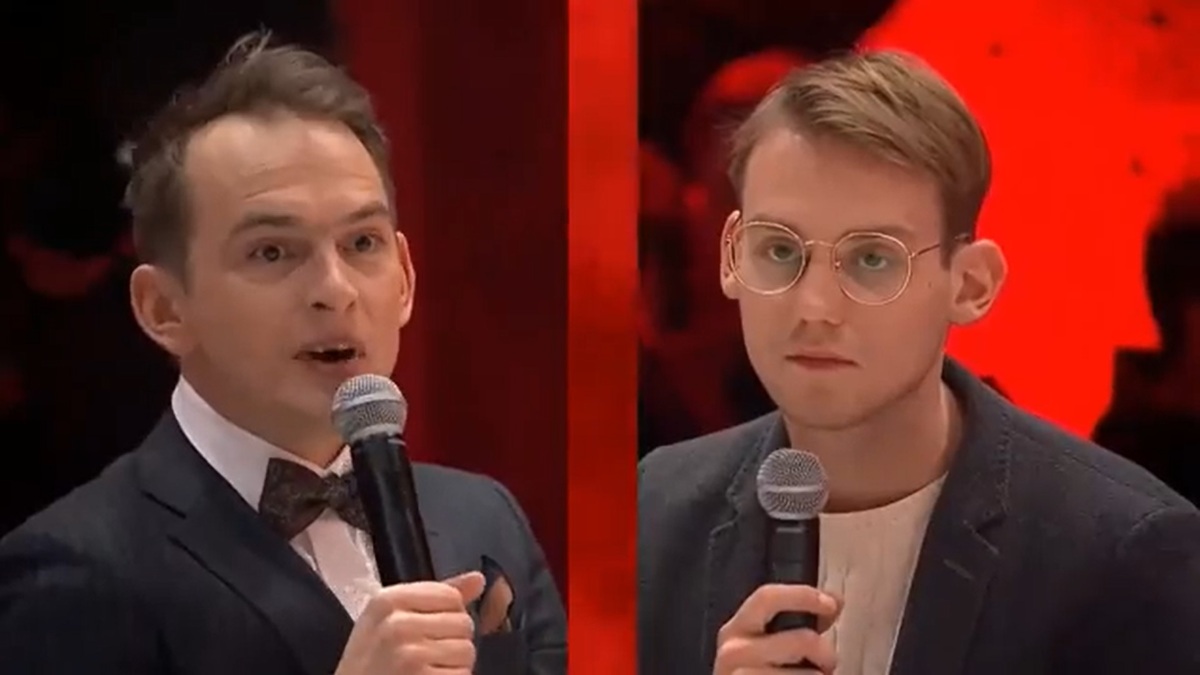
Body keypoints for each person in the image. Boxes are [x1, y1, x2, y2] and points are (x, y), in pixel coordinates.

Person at [0, 32, 566, 675]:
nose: (336, 290)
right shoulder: (71, 571)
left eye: (362, 243)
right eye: (272, 251)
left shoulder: (484, 517)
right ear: (163, 309)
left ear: (406, 278)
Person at [638, 49, 1200, 675]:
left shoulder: (1126, 553)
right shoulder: (653, 512)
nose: (815, 307)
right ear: (730, 257)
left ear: (971, 284)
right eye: (779, 250)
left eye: (872, 259)